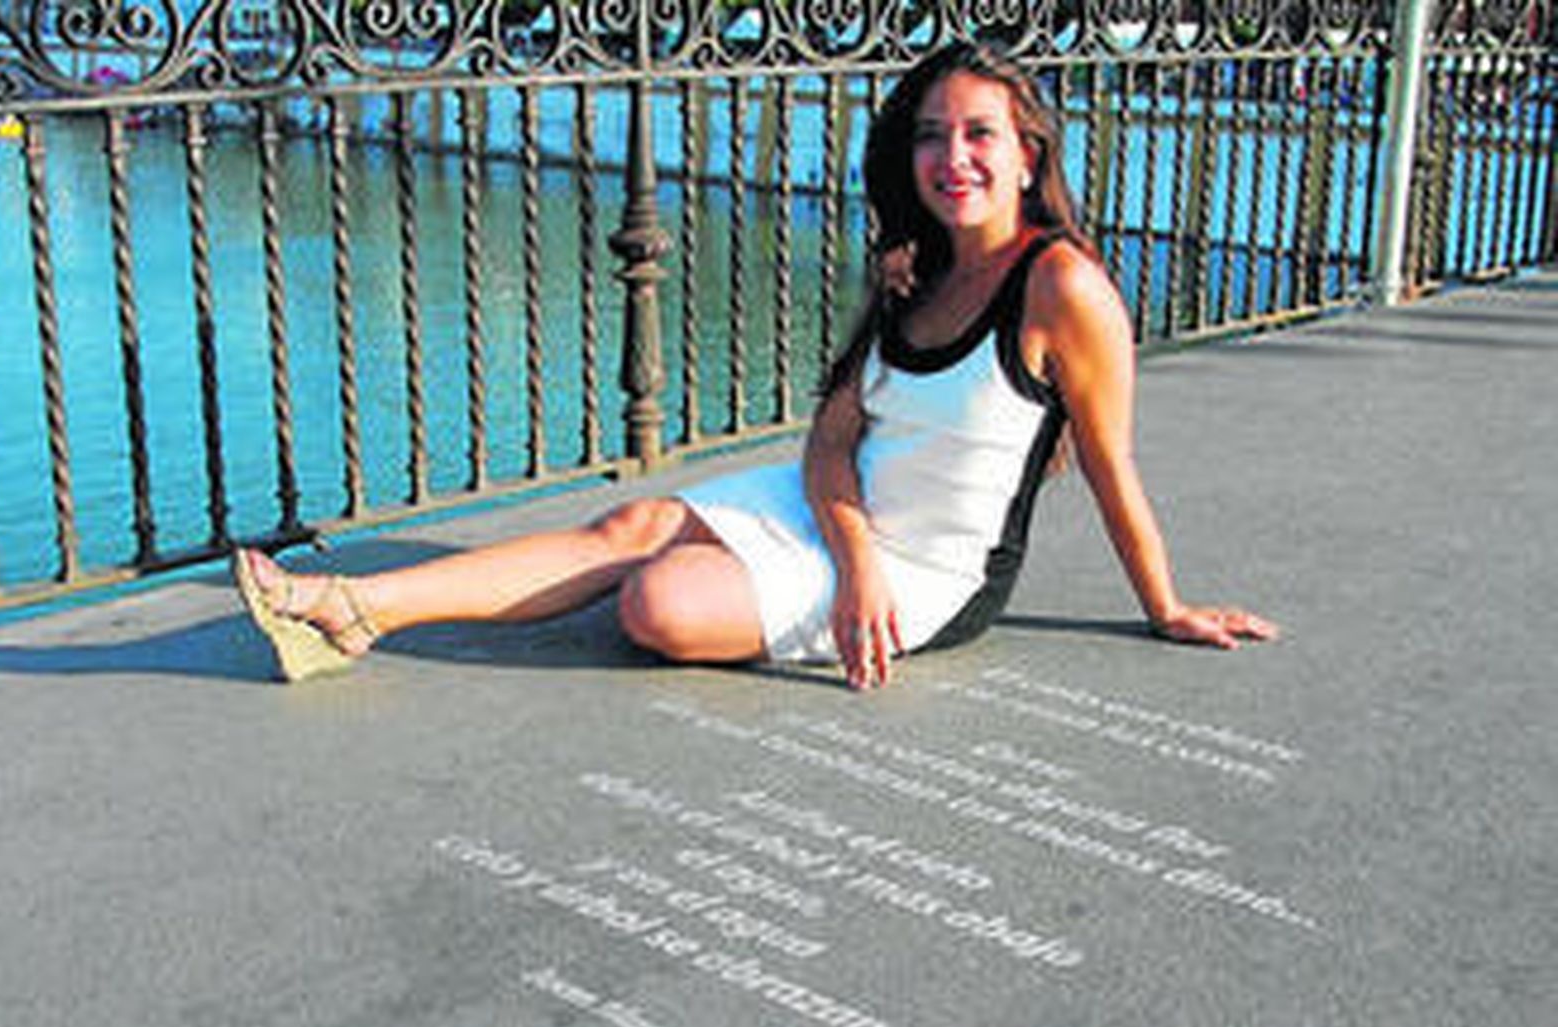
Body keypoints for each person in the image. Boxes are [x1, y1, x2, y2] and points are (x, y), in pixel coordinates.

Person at [235, 41, 1276, 689]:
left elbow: (1110, 465)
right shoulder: (916, 267)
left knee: (657, 602)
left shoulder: (1062, 288)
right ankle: (357, 606)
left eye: (979, 135)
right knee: (629, 526)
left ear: (1028, 154)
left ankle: (401, 603)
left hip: (932, 573)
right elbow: (832, 441)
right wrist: (850, 552)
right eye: (931, 136)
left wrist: (1166, 607)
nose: (952, 157)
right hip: (839, 517)